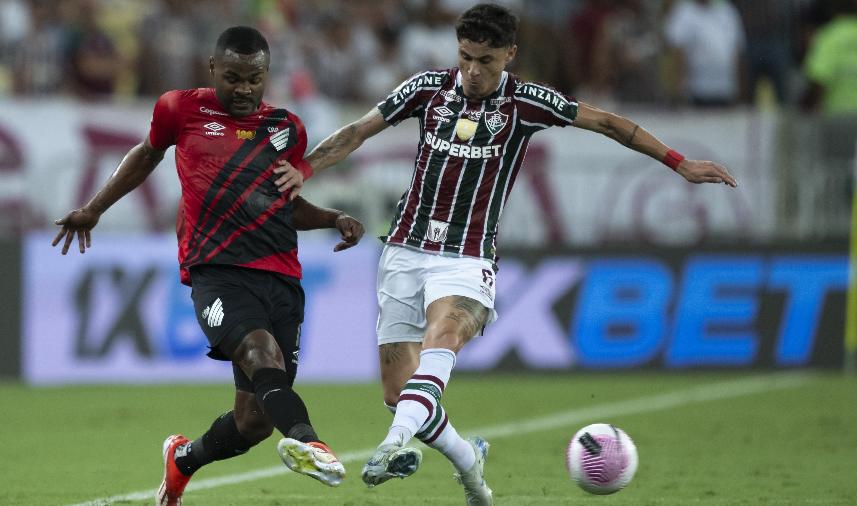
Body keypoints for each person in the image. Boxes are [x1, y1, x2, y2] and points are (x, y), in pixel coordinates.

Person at [299, 4, 737, 505]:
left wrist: (678, 163)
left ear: (509, 54)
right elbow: (357, 131)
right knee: (399, 396)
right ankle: (471, 468)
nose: (473, 71)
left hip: (467, 258)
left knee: (444, 336)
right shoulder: (426, 88)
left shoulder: (527, 102)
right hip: (403, 249)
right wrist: (303, 172)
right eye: (465, 57)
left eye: (486, 60)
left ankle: (391, 445)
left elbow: (610, 124)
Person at [51, 26, 363, 505]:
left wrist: (333, 218)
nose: (243, 89)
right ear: (212, 68)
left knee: (254, 421)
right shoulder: (180, 108)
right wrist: (95, 207)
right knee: (263, 355)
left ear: (266, 74)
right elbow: (146, 154)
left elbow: (284, 203)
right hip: (215, 269)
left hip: (281, 275)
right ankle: (310, 442)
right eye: (233, 77)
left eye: (253, 79)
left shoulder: (286, 129)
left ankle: (182, 461)